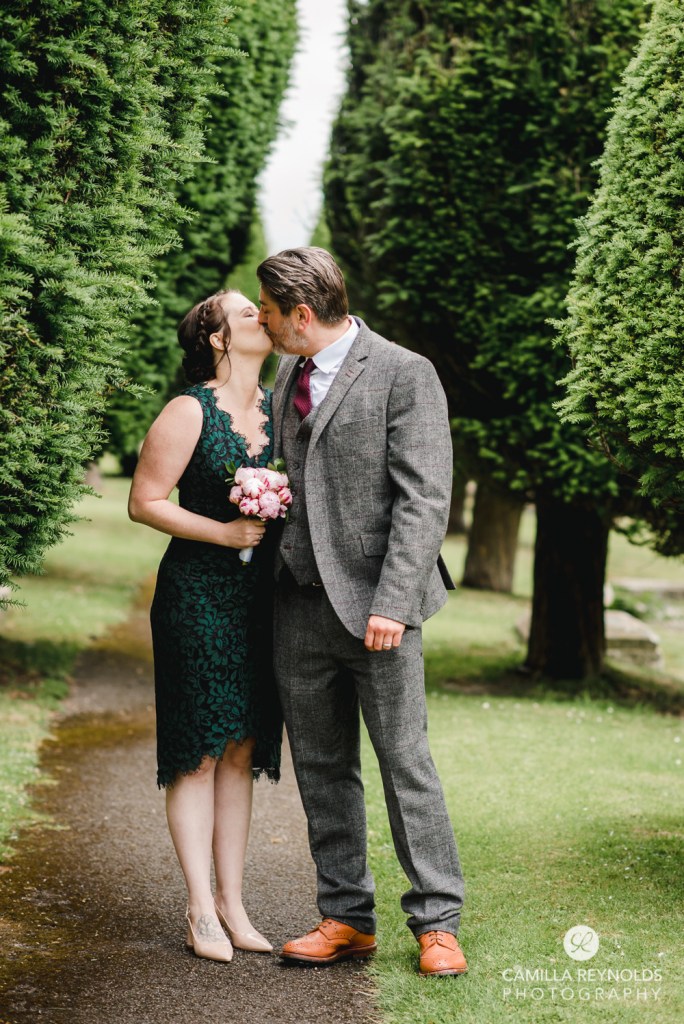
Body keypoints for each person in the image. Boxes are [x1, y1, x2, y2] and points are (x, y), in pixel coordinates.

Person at [256, 247, 467, 978]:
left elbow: (424, 499)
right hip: (299, 608)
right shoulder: (287, 374)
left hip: (380, 614)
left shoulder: (406, 372)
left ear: (302, 315)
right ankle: (346, 917)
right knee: (321, 768)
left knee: (406, 764)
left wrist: (394, 604)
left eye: (270, 312)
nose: (263, 322)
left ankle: (437, 923)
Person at [128, 289, 282, 963]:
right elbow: (145, 501)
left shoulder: (282, 410)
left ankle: (235, 903)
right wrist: (223, 532)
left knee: (243, 750)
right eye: (249, 312)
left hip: (262, 600)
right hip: (197, 595)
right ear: (218, 338)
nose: (264, 317)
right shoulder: (189, 409)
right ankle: (199, 908)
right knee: (199, 750)